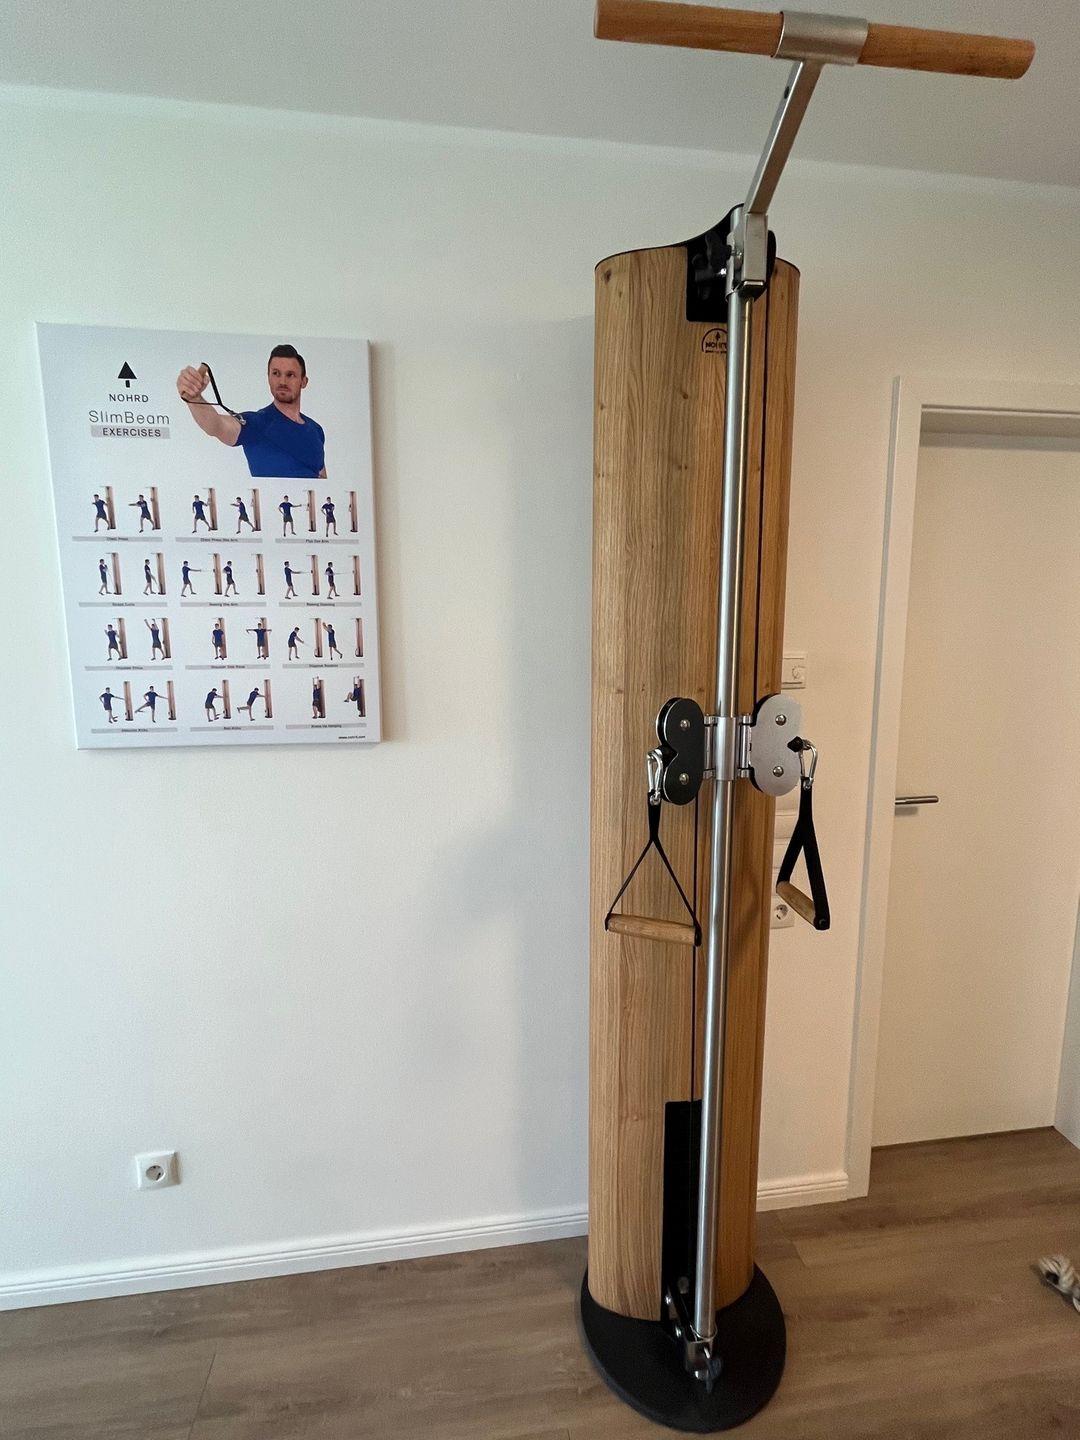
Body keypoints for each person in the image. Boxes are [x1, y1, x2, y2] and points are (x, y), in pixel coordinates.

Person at [177, 345, 327, 479]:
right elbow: (216, 425)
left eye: (290, 375)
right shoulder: (256, 423)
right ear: (268, 377)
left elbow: (322, 478)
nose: (282, 381)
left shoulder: (316, 430)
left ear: (303, 382)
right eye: (276, 373)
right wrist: (194, 398)